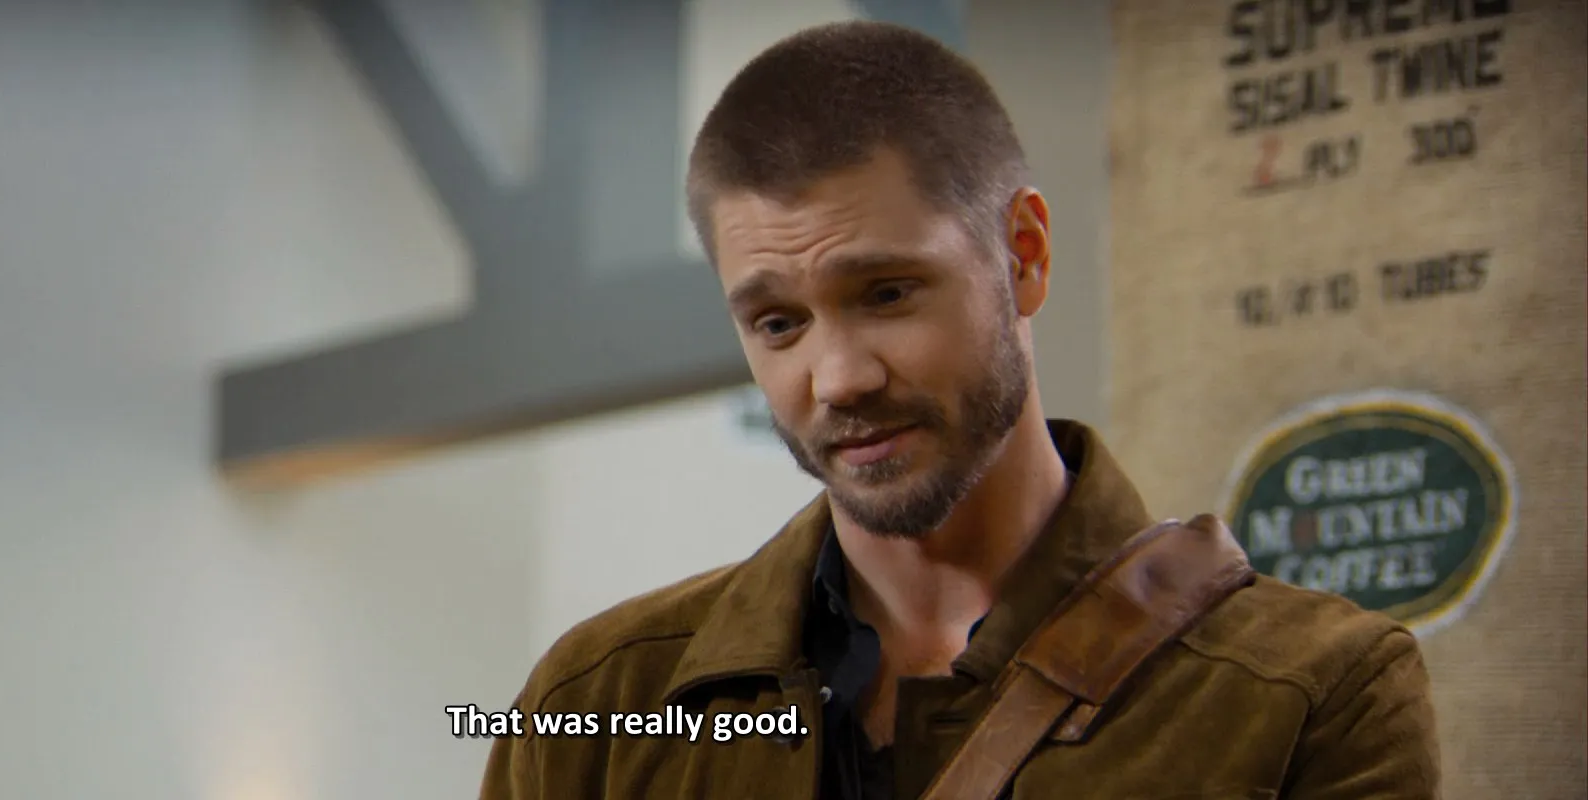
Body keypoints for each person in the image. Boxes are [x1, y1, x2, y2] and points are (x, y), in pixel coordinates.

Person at [478, 20, 1440, 800]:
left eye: (887, 293)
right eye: (778, 323)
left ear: (1024, 255)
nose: (838, 377)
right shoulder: (599, 704)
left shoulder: (1311, 693)